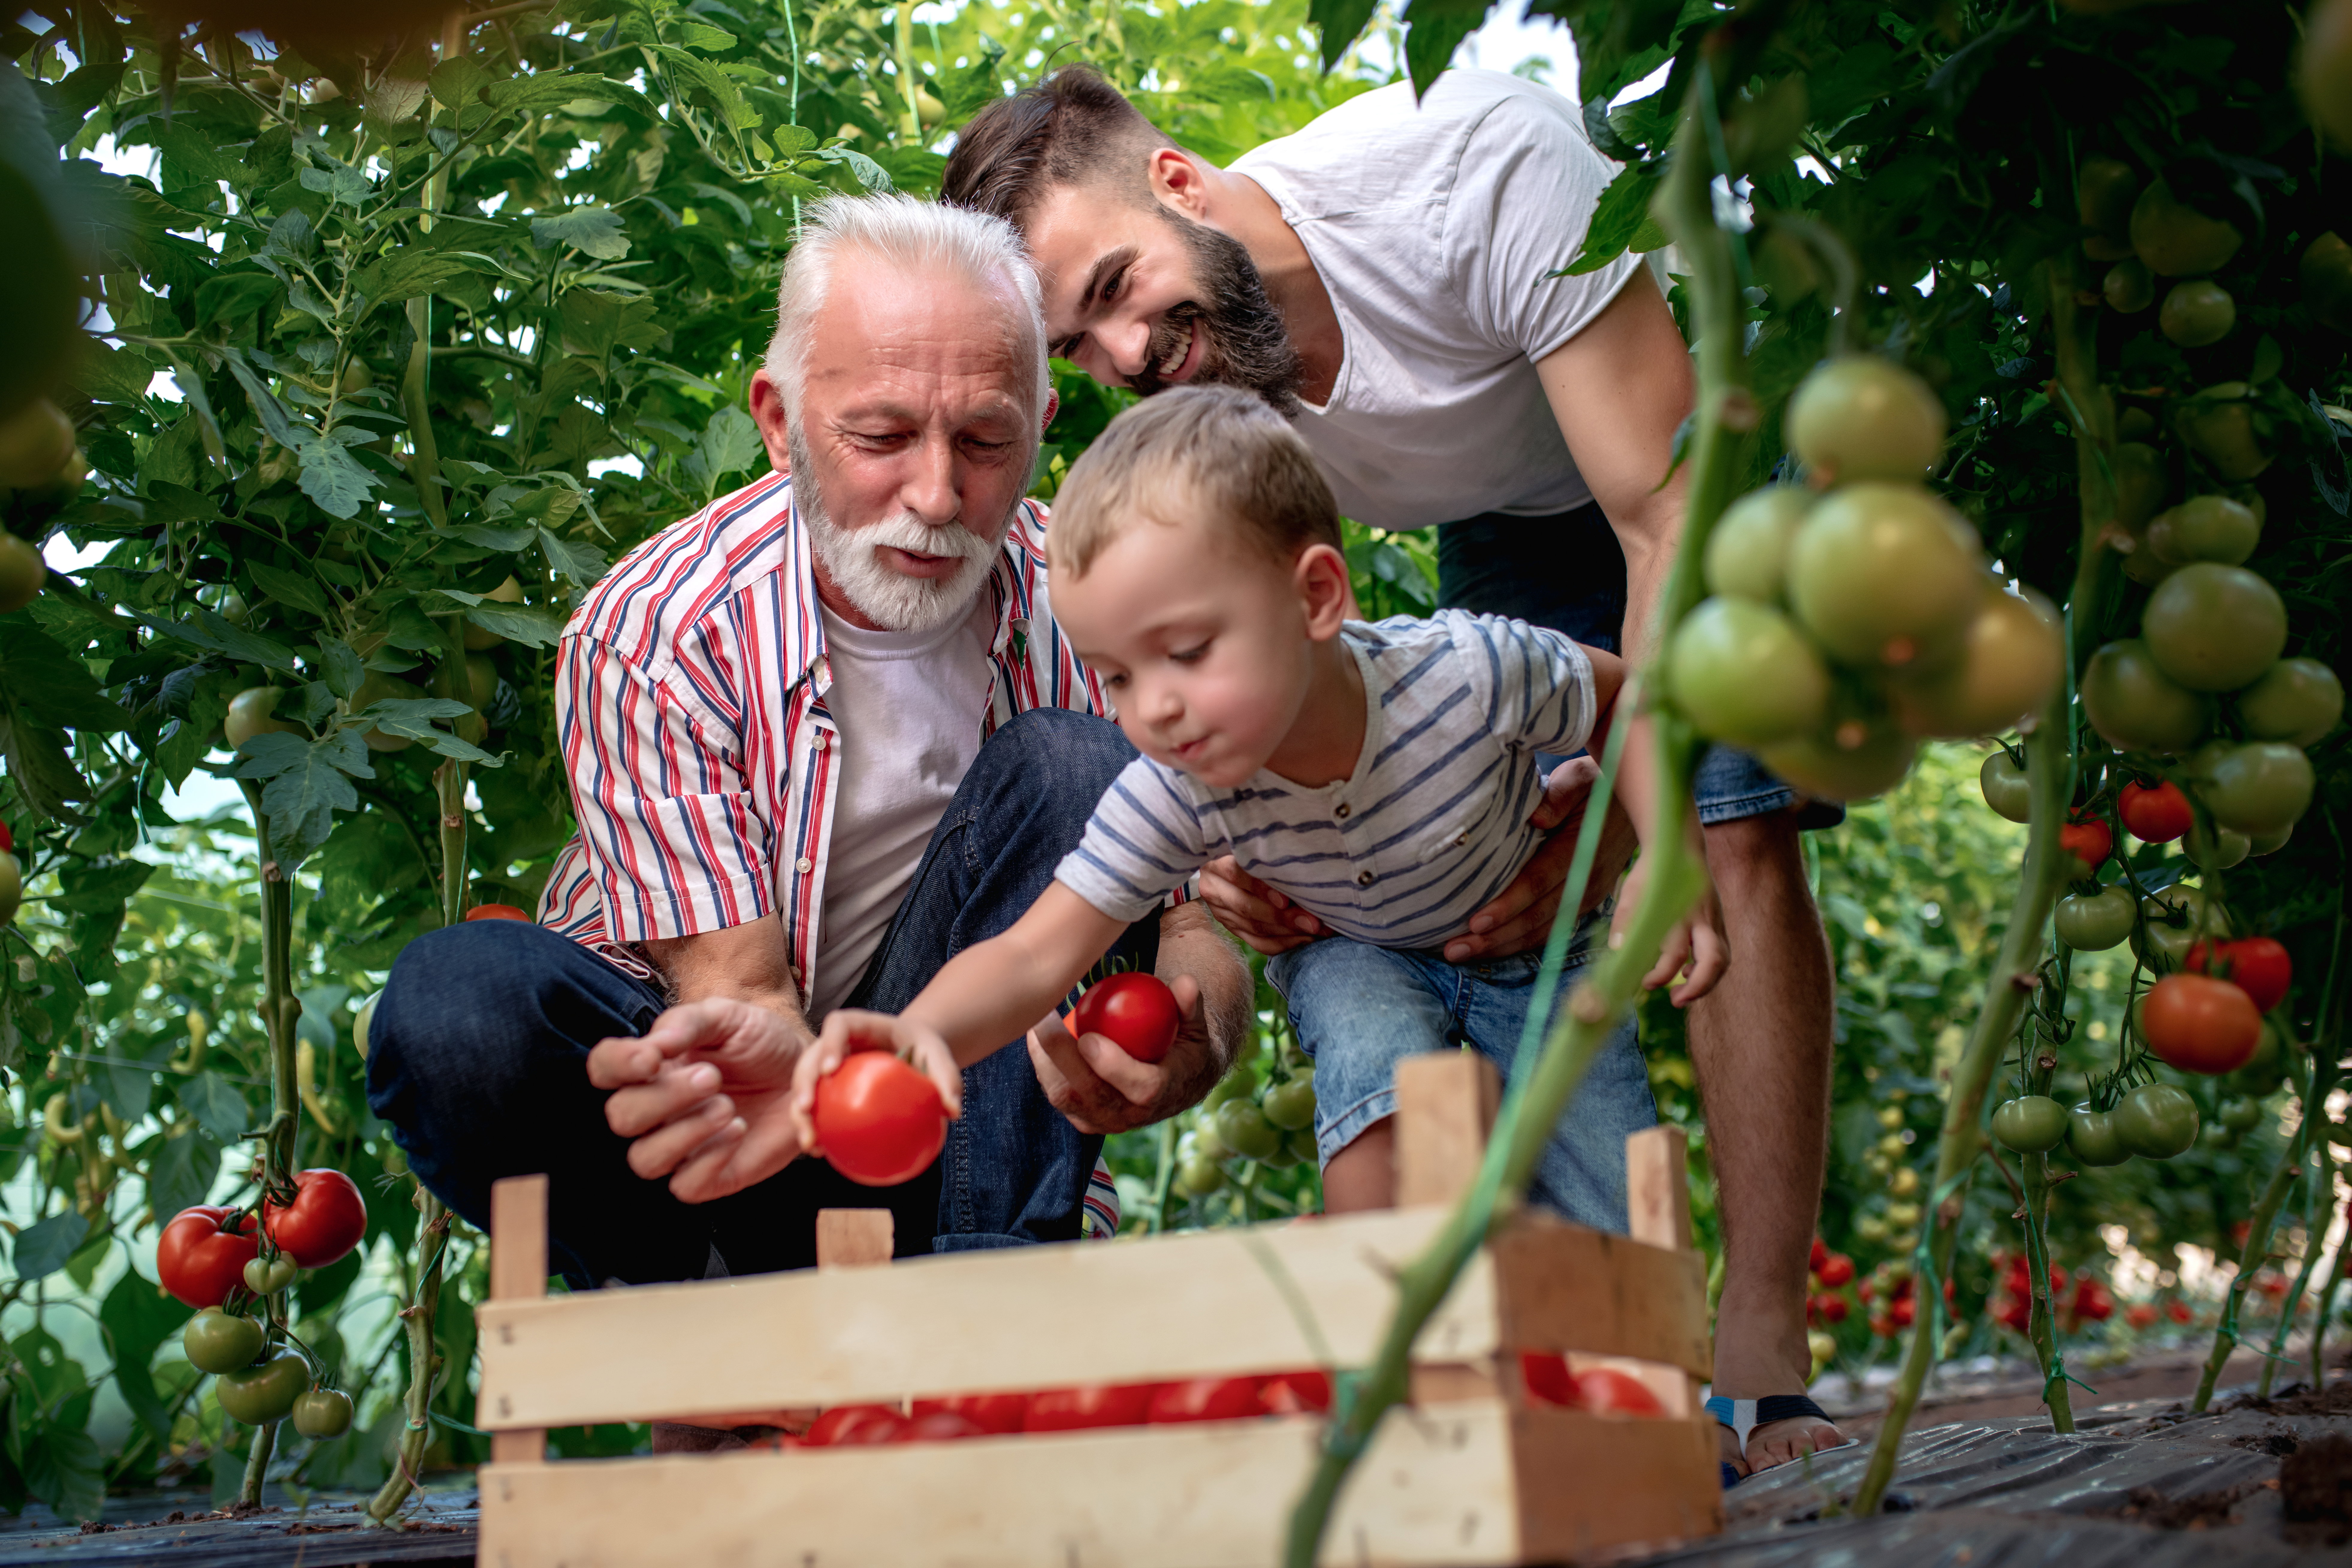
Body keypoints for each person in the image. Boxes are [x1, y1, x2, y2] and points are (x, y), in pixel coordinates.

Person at [943, 67, 1843, 1475]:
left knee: (1721, 822)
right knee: (1515, 884)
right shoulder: (1209, 402)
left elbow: (1658, 525)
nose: (1122, 352)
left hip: (1678, 443)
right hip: (1503, 501)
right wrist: (1250, 861)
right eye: (1079, 341)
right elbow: (1284, 673)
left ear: (1179, 180)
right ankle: (1537, 1370)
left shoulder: (1477, 177)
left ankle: (1764, 1362)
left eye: (1118, 284)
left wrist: (1636, 830)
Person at [363, 196, 1254, 1446]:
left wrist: (1198, 1030)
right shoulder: (658, 626)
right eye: (881, 435)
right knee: (456, 1007)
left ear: (1046, 425)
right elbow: (742, 1009)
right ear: (778, 422)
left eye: (987, 440)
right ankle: (705, 1336)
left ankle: (986, 1352)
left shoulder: (1094, 608)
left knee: (1068, 765)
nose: (938, 494)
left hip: (950, 1138)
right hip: (716, 1123)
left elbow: (1195, 912)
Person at [799, 386, 1723, 1233]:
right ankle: (1382, 1345)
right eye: (1117, 675)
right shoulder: (1178, 785)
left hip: (1537, 952)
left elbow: (1621, 701)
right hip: (1355, 948)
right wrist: (922, 1030)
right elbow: (1037, 949)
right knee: (1371, 1064)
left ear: (1316, 595)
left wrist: (1666, 852)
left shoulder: (1468, 672)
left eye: (1188, 650)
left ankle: (1639, 1386)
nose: (1150, 707)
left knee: (1608, 1191)